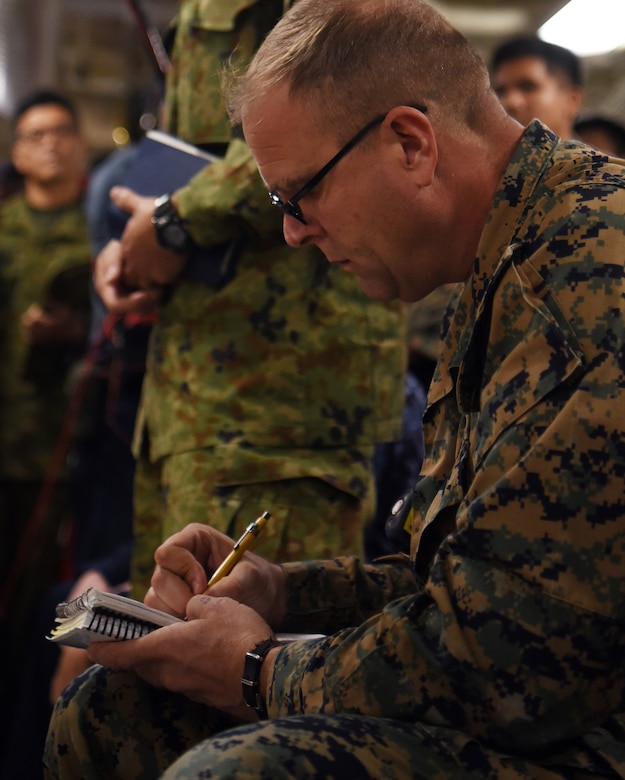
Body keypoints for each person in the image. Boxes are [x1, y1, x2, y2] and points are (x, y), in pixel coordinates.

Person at [44, 0, 625, 777]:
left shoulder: (582, 282)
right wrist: (282, 595)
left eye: (299, 195)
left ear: (409, 143)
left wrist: (256, 671)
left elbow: (513, 661)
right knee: (113, 710)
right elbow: (465, 578)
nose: (291, 232)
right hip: (538, 685)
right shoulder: (505, 257)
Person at [93, 0, 407, 600]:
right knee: (169, 650)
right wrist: (134, 247)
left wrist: (172, 223)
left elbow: (330, 126)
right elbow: (191, 160)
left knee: (251, 661)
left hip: (280, 405)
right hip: (190, 394)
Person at [0, 89, 92, 738]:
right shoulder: (3, 231)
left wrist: (72, 334)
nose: (49, 143)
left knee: (65, 607)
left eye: (61, 131)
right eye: (34, 134)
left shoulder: (103, 230)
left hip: (87, 446)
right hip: (10, 448)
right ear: (16, 152)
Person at [491, 36, 584, 141]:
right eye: (501, 92)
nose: (510, 102)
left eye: (528, 87)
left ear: (572, 101)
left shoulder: (596, 158)